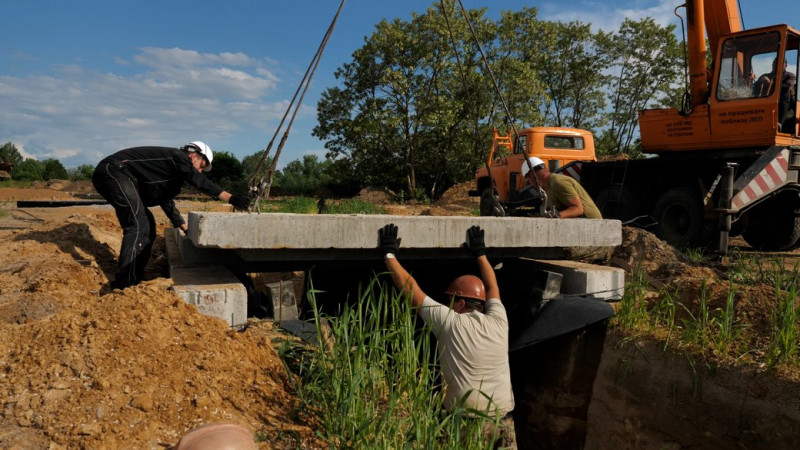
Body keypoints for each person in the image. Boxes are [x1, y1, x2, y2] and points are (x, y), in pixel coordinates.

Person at [378, 223, 516, 448]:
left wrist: (389, 254)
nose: (447, 306)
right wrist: (480, 253)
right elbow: (492, 286)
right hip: (503, 422)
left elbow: (411, 290)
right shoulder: (500, 321)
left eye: (450, 301)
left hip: (467, 425)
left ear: (461, 303)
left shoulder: (450, 322)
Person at [92, 142, 252, 289]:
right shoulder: (178, 157)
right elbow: (197, 180)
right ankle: (124, 284)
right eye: (202, 165)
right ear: (194, 155)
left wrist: (184, 227)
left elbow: (166, 201)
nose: (200, 171)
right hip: (113, 171)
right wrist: (231, 198)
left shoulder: (172, 178)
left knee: (148, 226)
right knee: (139, 225)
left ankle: (135, 276)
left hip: (119, 175)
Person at [520, 156, 602, 219]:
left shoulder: (558, 182)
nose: (530, 183)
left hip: (592, 226)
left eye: (529, 180)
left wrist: (554, 217)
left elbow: (577, 209)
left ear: (533, 175)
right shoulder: (547, 189)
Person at [753, 58, 797, 131]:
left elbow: (786, 88)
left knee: (784, 98)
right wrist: (759, 82)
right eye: (774, 64)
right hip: (765, 102)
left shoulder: (790, 76)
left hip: (783, 101)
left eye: (779, 63)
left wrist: (770, 83)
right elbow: (754, 89)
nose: (776, 65)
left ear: (786, 65)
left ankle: (779, 123)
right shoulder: (765, 75)